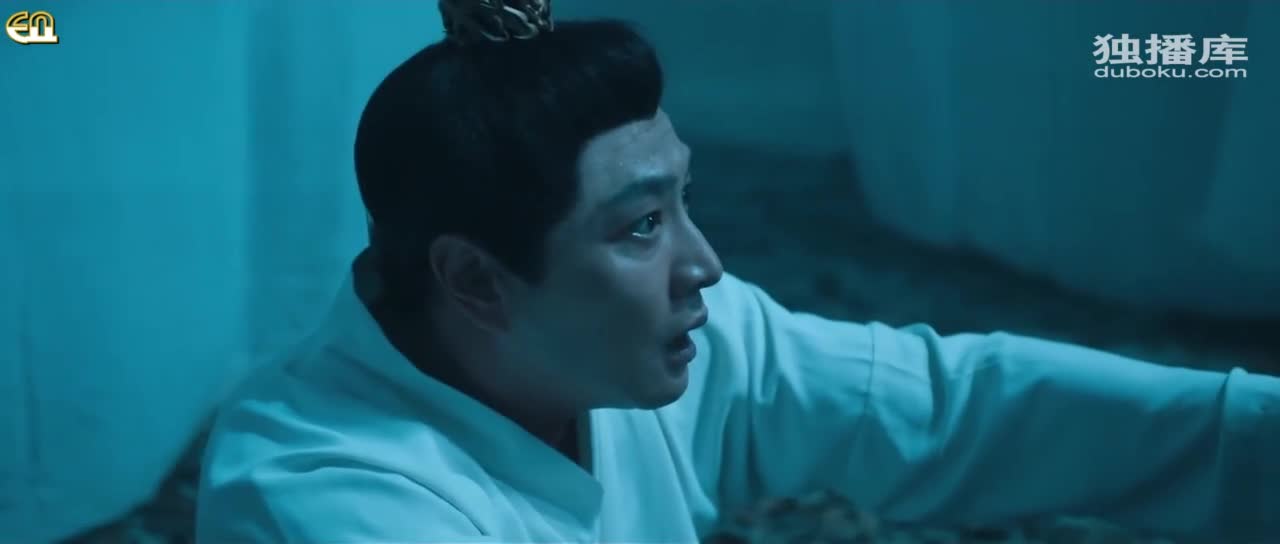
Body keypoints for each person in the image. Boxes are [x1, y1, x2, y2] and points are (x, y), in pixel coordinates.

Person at [195, 1, 1279, 542]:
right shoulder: (319, 497)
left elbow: (949, 410)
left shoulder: (646, 340)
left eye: (682, 202)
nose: (703, 265)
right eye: (639, 226)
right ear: (476, 281)